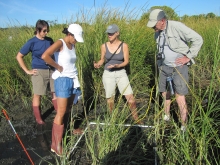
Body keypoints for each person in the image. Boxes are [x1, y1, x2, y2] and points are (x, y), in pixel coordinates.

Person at [147, 9, 203, 131]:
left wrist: (188, 57)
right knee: (164, 92)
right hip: (164, 66)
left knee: (179, 96)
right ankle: (166, 115)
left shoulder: (176, 26)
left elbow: (198, 39)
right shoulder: (157, 32)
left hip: (179, 67)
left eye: (154, 24)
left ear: (162, 21)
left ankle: (183, 125)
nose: (153, 27)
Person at [41, 23, 84, 156]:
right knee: (61, 111)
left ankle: (67, 130)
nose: (76, 40)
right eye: (75, 37)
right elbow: (45, 56)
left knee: (69, 109)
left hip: (72, 79)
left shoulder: (73, 45)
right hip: (62, 80)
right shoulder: (61, 43)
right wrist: (57, 66)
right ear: (69, 34)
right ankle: (56, 144)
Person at [94, 24, 142, 124]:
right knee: (110, 98)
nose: (109, 35)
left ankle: (136, 118)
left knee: (130, 96)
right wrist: (98, 64)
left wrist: (117, 66)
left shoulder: (124, 45)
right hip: (108, 74)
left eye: (111, 33)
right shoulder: (104, 46)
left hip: (121, 73)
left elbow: (126, 61)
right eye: (108, 33)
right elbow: (102, 59)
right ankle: (113, 119)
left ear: (117, 33)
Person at [16, 19, 57, 125]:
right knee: (38, 94)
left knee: (55, 92)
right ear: (37, 30)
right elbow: (19, 56)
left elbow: (54, 53)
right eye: (44, 31)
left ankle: (58, 114)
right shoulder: (31, 42)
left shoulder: (49, 40)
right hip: (39, 71)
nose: (46, 33)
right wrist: (27, 71)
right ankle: (39, 119)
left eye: (47, 30)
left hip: (52, 70)